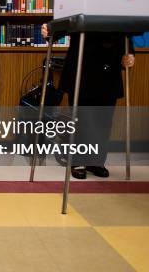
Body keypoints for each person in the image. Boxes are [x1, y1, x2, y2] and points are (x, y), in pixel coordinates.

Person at [41, 24, 135, 179]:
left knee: (103, 121)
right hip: (81, 69)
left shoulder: (117, 5)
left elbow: (125, 33)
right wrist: (49, 30)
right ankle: (78, 161)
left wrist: (130, 54)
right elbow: (64, 22)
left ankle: (96, 161)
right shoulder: (80, 1)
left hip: (108, 70)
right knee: (80, 120)